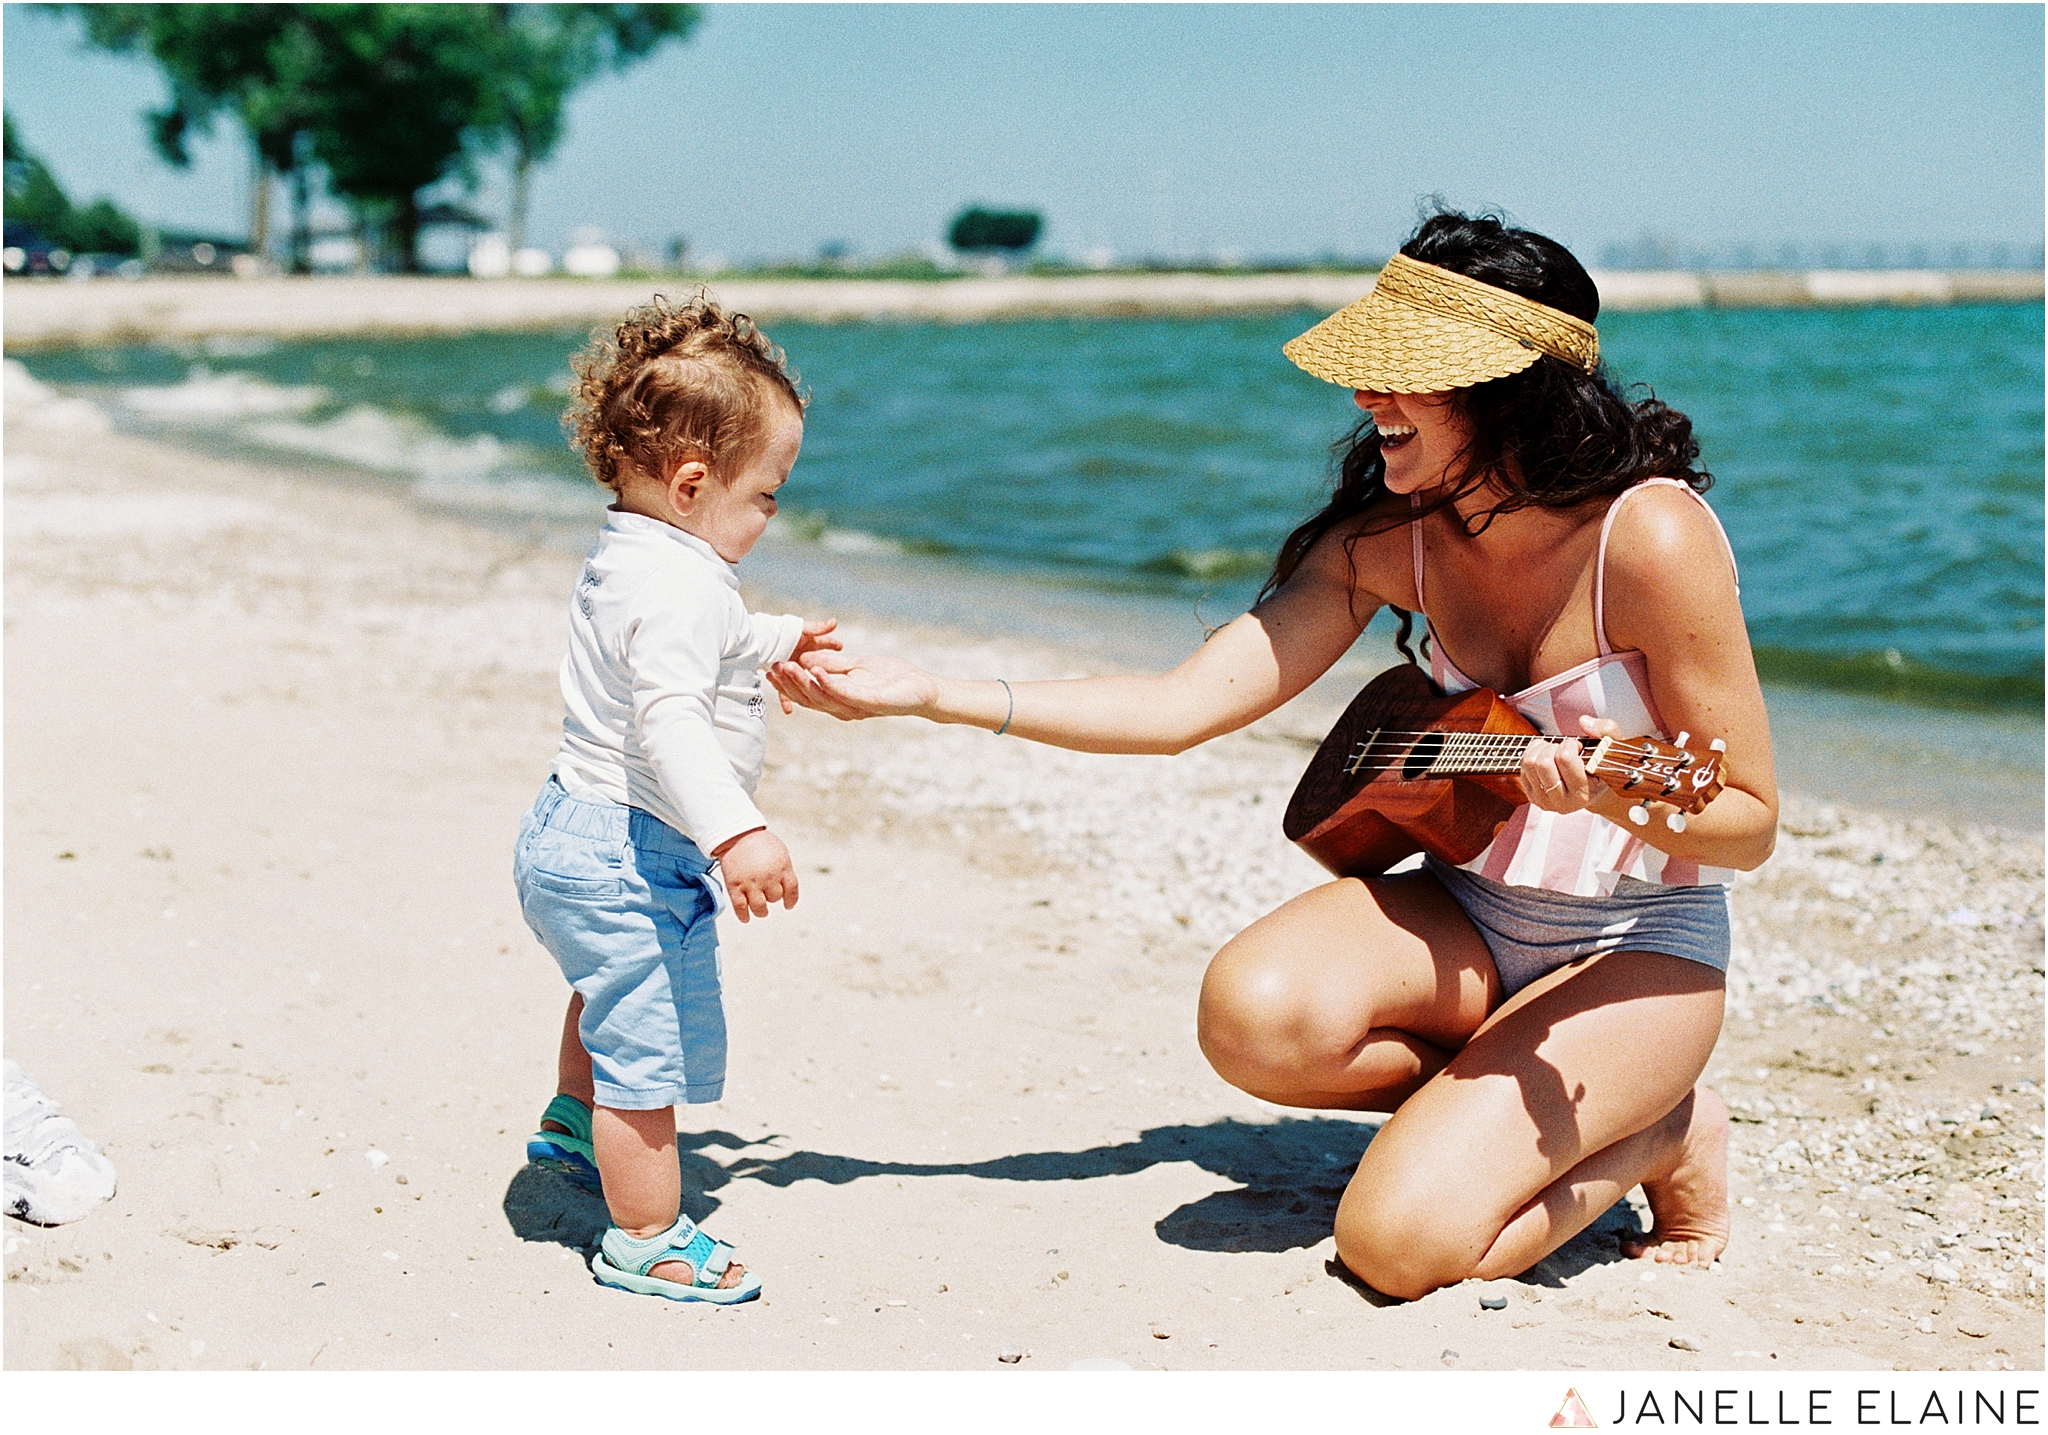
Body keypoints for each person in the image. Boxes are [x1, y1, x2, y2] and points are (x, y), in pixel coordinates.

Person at [768, 212, 1776, 1301]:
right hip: (1470, 914)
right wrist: (927, 695)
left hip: (1638, 946)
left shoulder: (1648, 539)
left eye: (1403, 378)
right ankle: (1519, 1114)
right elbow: (1176, 705)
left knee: (1394, 1249)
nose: (1363, 401)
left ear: (1504, 388)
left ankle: (1656, 1131)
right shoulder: (1386, 545)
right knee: (1250, 1014)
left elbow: (1751, 819)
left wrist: (1621, 796)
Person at [515, 294, 838, 1304]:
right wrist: (737, 830)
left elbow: (691, 641)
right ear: (694, 482)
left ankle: (571, 1122)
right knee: (642, 1052)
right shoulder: (684, 588)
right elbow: (670, 719)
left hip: (569, 831)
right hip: (628, 849)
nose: (769, 513)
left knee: (608, 992)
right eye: (767, 495)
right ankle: (645, 1232)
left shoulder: (636, 554)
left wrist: (770, 637)